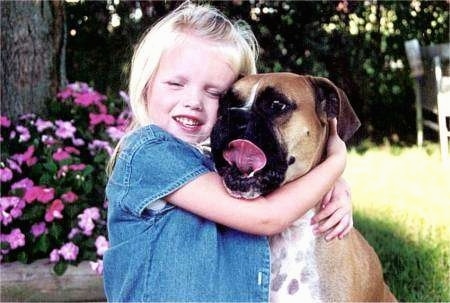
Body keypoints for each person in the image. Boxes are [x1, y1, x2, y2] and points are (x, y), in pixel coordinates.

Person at [104, 2, 352, 302]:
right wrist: (335, 163)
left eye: (215, 93)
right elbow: (267, 217)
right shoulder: (149, 153)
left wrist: (334, 187)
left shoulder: (209, 162)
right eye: (176, 83)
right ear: (146, 86)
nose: (193, 101)